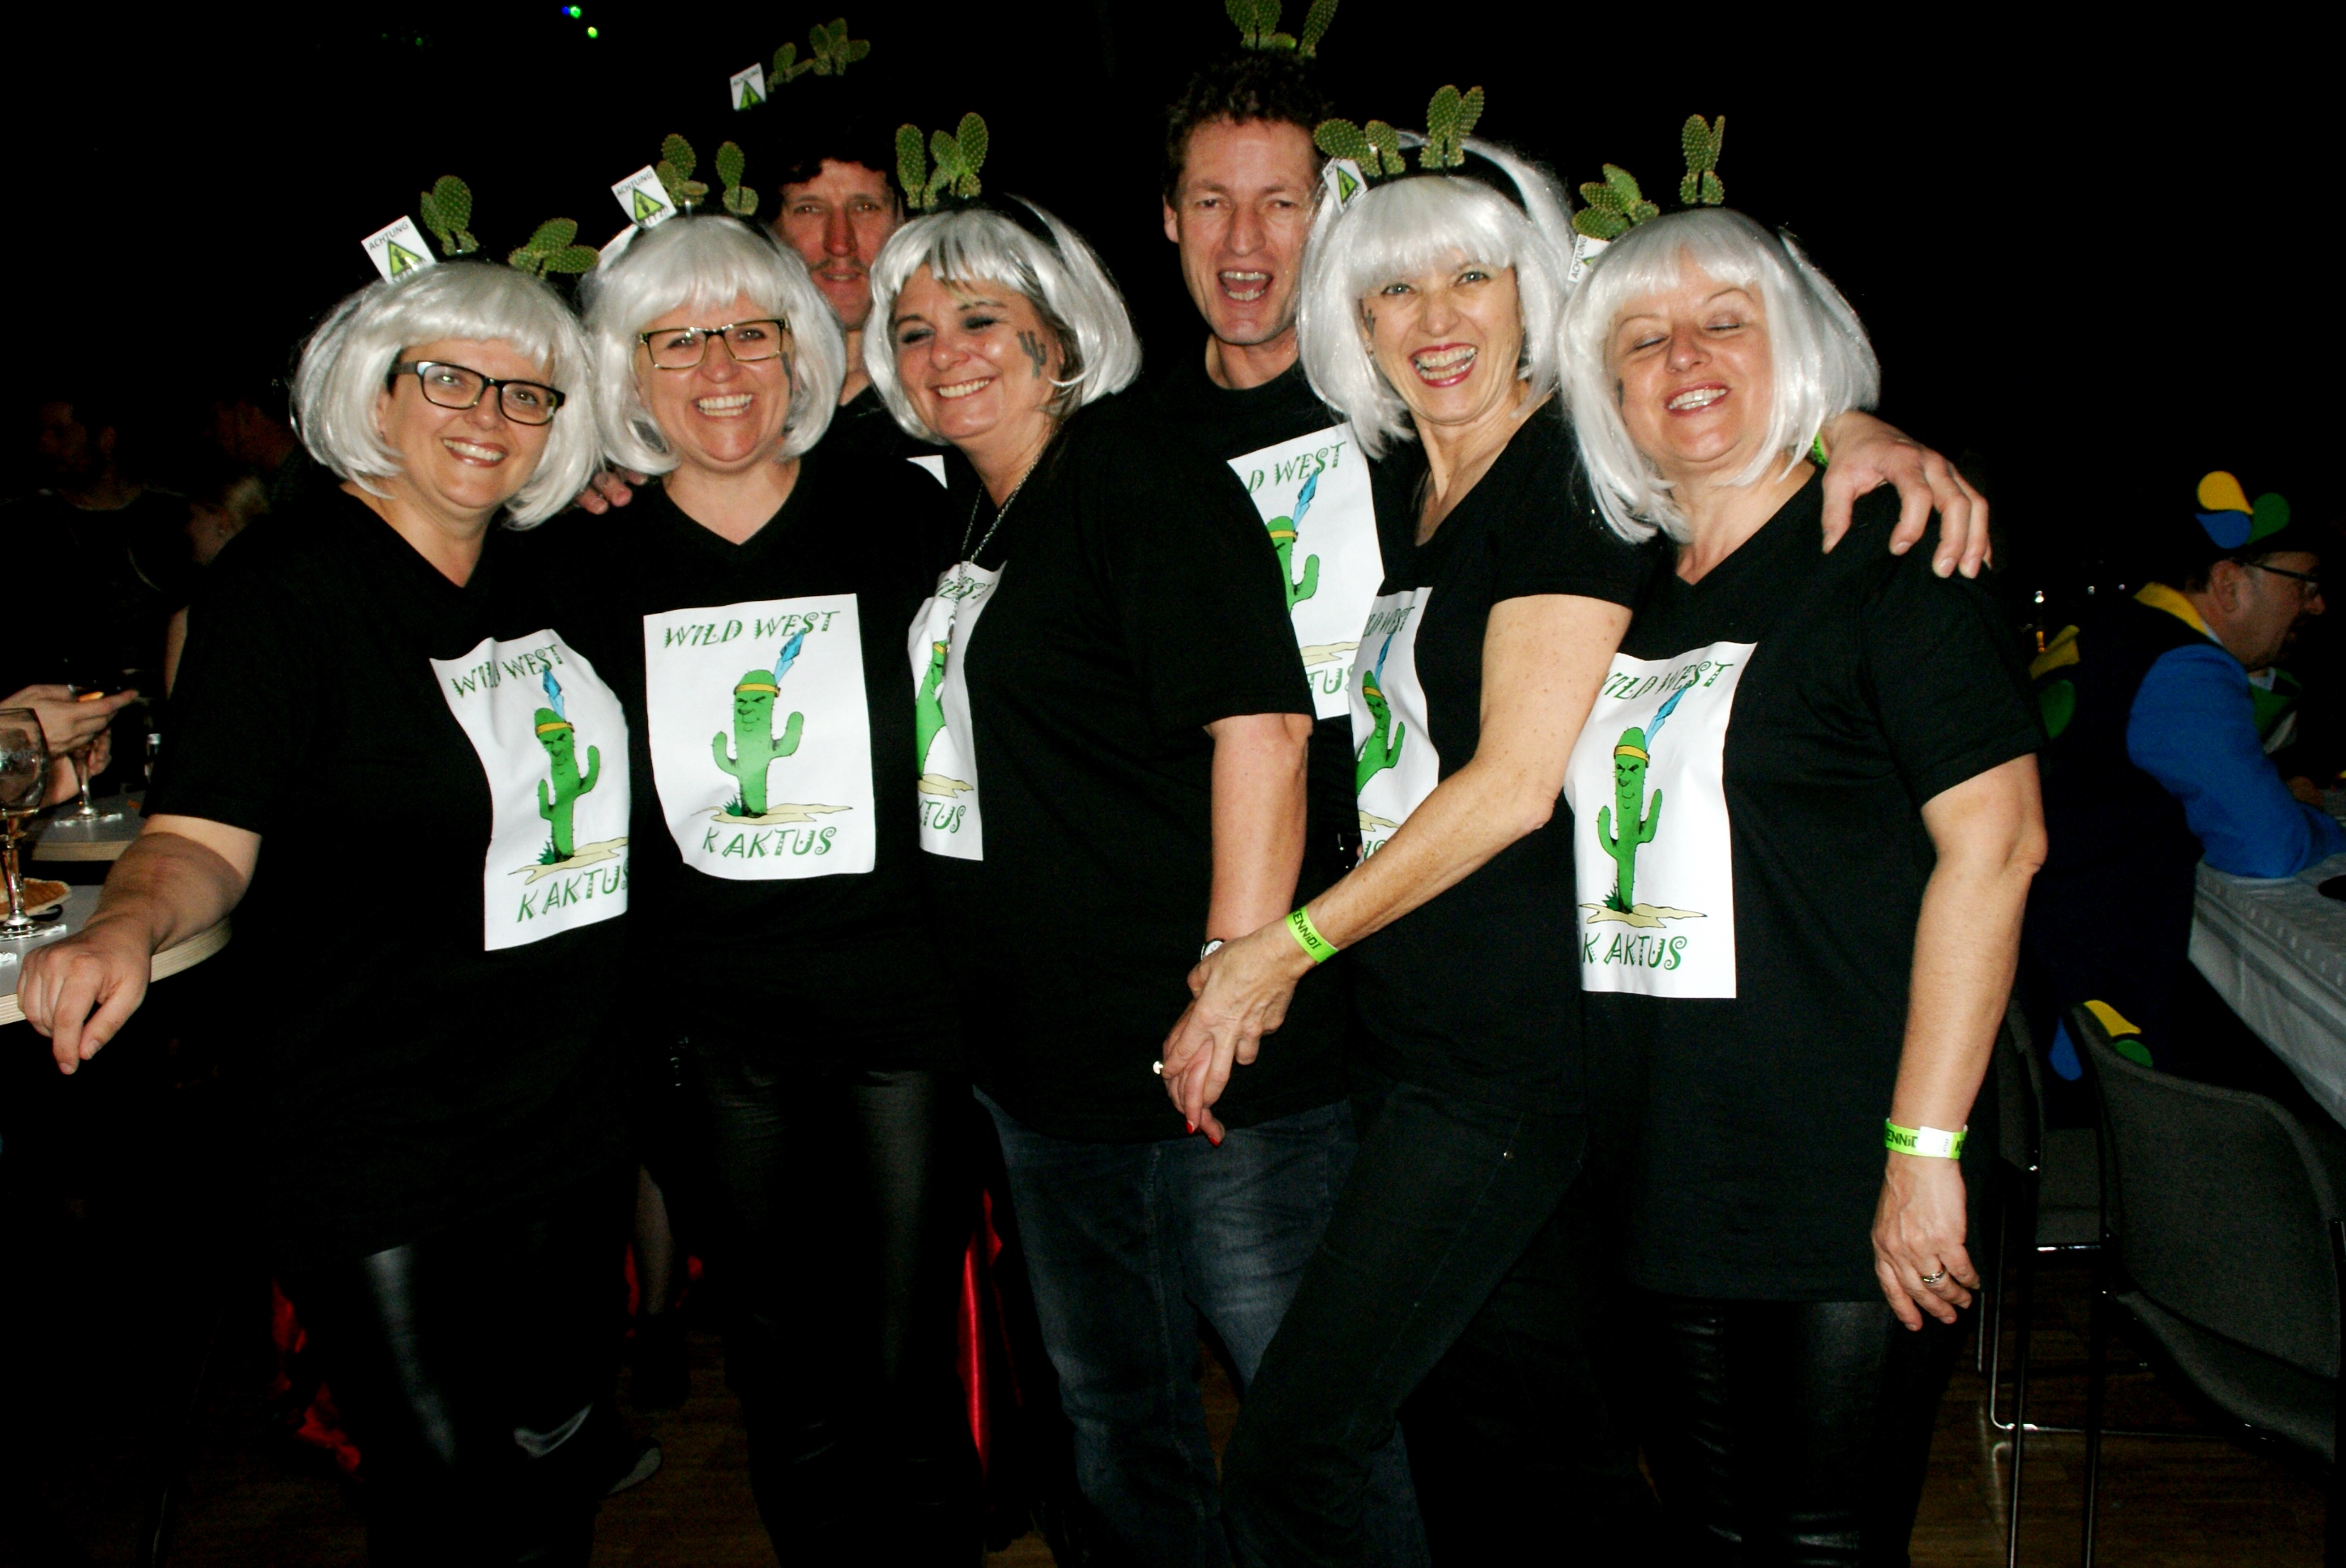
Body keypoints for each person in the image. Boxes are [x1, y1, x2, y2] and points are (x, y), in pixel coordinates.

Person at [19, 260, 634, 1566]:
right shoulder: (282, 591)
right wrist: (127, 923)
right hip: (372, 1121)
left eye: (526, 392)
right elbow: (196, 836)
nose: (489, 415)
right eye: (450, 378)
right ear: (376, 390)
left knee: (552, 1466)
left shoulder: (562, 571)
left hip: (564, 1109)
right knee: (447, 1495)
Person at [864, 191, 1354, 1566]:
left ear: (1063, 332)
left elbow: (1264, 728)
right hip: (1048, 1072)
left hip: (1201, 1055)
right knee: (1116, 1421)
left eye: (981, 318)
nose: (945, 353)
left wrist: (1231, 985)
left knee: (1303, 1424)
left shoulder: (1134, 474)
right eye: (914, 331)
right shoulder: (981, 515)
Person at [1556, 207, 2044, 1562]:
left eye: (1727, 321)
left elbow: (1999, 847)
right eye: (1641, 338)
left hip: (1849, 1163)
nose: (1683, 356)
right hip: (1663, 1165)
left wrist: (1923, 1155)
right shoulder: (1621, 592)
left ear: (1802, 351)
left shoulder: (1892, 557)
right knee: (1711, 1534)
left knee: (1827, 1545)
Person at [556, 213, 979, 1562]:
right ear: (628, 370)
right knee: (785, 1375)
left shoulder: (899, 513)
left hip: (900, 1008)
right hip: (712, 1033)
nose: (721, 367)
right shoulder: (582, 560)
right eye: (677, 341)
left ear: (800, 350)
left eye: (749, 331)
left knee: (907, 1367)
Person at [2024, 471, 2343, 1087]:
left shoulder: (2111, 627)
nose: (2316, 603)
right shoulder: (2184, 666)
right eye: (2304, 582)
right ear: (2228, 582)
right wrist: (2320, 820)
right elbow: (2266, 846)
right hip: (2088, 979)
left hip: (2040, 952)